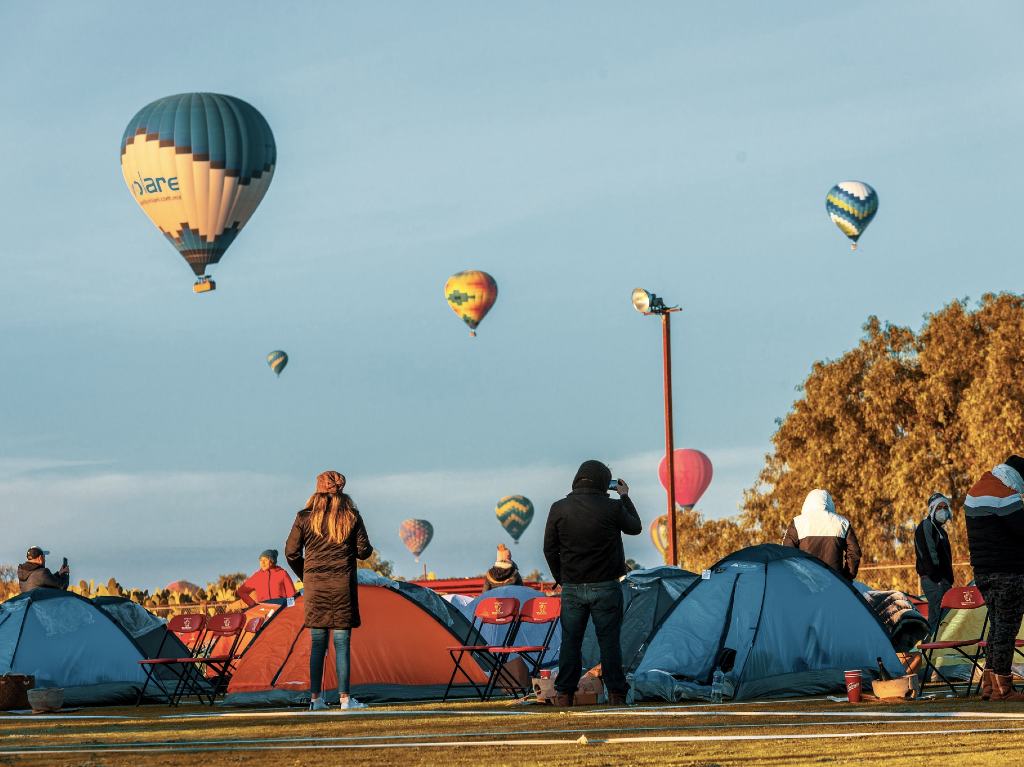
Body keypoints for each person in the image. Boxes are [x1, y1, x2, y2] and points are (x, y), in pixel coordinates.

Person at [543, 459, 642, 707]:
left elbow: (549, 549)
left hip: (573, 587)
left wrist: (561, 578)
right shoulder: (612, 507)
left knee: (570, 642)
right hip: (606, 586)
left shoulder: (558, 508)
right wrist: (625, 497)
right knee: (609, 643)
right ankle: (617, 694)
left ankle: (564, 694)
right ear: (602, 481)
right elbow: (635, 528)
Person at [286, 470, 373, 711]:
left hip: (315, 586)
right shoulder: (351, 516)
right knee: (342, 643)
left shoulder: (304, 517)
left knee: (317, 643)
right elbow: (364, 551)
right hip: (342, 584)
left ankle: (316, 699)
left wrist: (305, 574)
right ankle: (345, 699)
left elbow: (291, 552)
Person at [965, 455, 1024, 701]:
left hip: (982, 572)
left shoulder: (975, 491)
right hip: (1009, 572)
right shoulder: (1005, 495)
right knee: (1006, 629)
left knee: (997, 626)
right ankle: (1003, 687)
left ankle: (988, 685)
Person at [782, 489, 861, 580]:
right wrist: (846, 578)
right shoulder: (842, 523)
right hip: (835, 582)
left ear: (807, 503)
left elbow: (786, 554)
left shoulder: (797, 523)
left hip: (806, 583)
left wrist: (796, 578)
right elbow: (854, 552)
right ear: (830, 503)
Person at [914, 492, 955, 635]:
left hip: (944, 581)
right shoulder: (926, 525)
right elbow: (928, 552)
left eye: (945, 507)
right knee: (937, 617)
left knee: (946, 617)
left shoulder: (942, 531)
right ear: (932, 508)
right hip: (933, 580)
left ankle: (940, 649)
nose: (943, 510)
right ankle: (930, 650)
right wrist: (935, 577)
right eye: (939, 507)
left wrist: (949, 578)